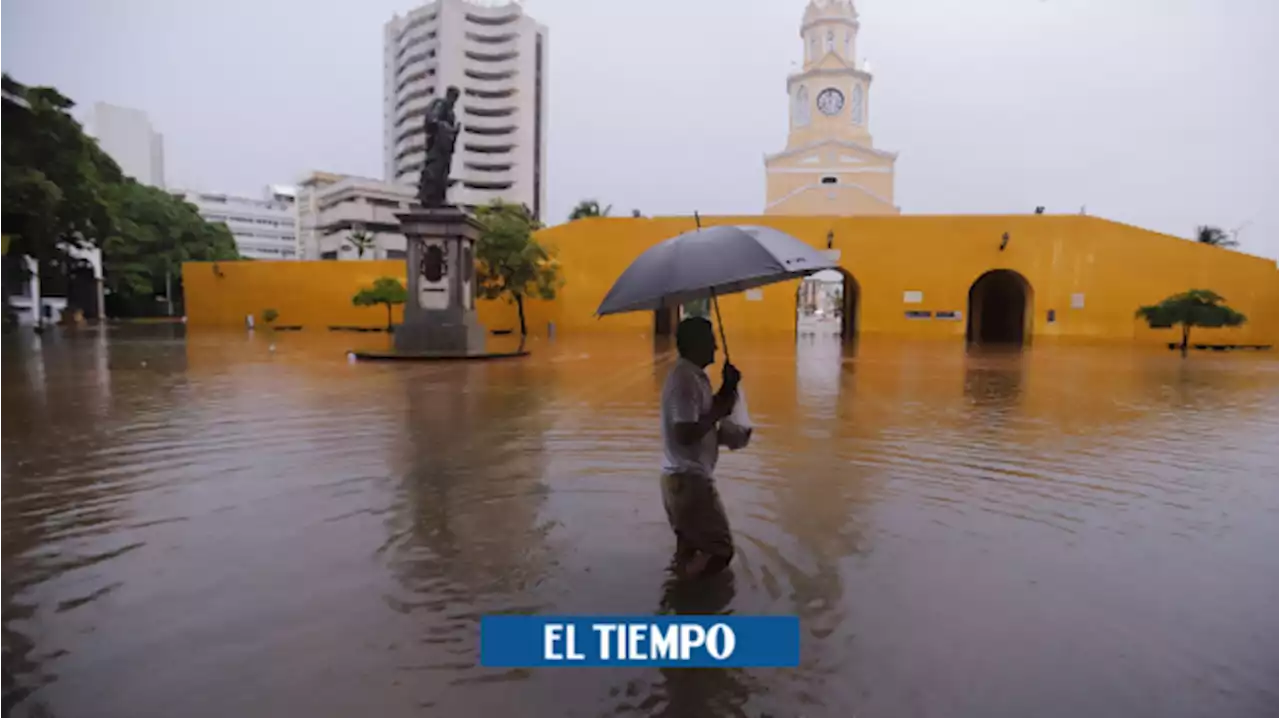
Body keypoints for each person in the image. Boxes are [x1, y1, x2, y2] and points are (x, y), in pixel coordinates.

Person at [660, 317, 742, 579]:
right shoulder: (684, 381)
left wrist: (728, 387)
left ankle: (678, 599)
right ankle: (692, 599)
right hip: (689, 481)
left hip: (684, 479)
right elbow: (684, 432)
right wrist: (718, 412)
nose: (717, 347)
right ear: (696, 344)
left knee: (690, 548)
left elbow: (703, 417)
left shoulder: (694, 377)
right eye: (711, 341)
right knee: (720, 550)